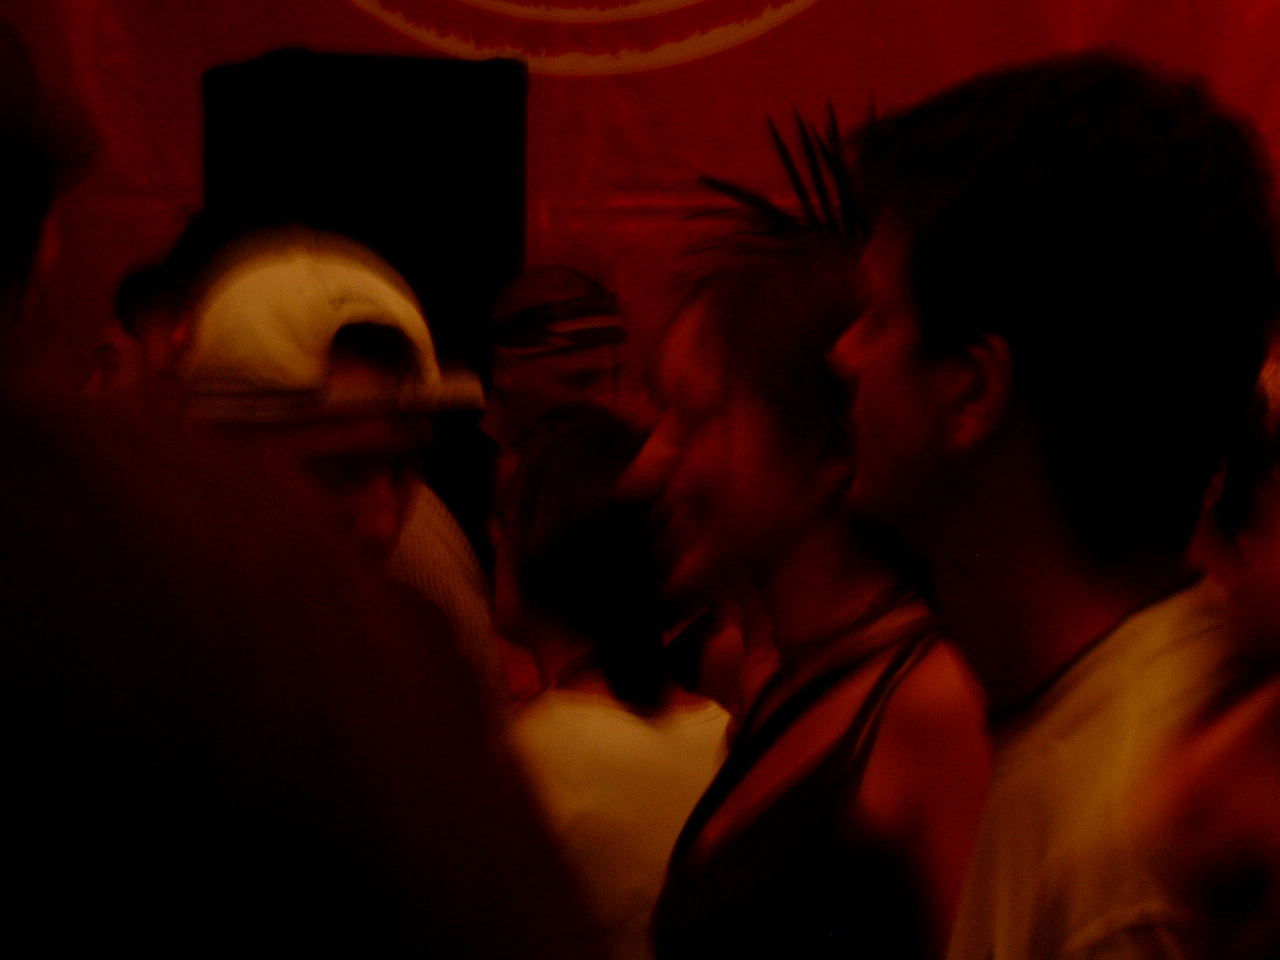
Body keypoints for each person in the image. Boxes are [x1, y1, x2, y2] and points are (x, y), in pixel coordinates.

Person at [2, 21, 601, 955]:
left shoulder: (405, 635)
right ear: (207, 452)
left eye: (403, 466)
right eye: (335, 470)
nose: (381, 515)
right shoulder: (113, 629)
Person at [827, 51, 1280, 960]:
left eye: (876, 316)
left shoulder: (1141, 834)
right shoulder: (1076, 720)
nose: (843, 355)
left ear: (972, 391)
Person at [630, 194, 990, 958]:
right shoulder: (784, 680)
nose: (649, 465)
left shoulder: (931, 707)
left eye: (695, 415)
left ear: (827, 450)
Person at [500, 405, 730, 960]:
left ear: (540, 542)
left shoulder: (531, 755)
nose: (492, 538)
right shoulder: (732, 732)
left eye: (504, 521)